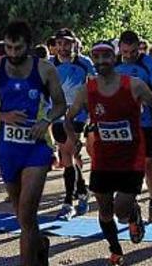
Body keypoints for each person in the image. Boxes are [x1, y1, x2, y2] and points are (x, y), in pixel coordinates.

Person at [66, 41, 152, 266]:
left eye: (106, 56)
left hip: (131, 157)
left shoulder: (133, 84)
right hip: (103, 159)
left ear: (115, 58)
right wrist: (75, 140)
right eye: (97, 57)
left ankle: (133, 214)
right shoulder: (87, 89)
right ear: (92, 60)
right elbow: (69, 116)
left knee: (120, 209)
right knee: (104, 209)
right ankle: (115, 250)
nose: (102, 61)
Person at [0, 21, 67, 266]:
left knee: (27, 213)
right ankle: (40, 244)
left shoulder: (45, 69)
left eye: (18, 48)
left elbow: (60, 104)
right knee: (23, 218)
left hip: (37, 148)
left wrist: (46, 120)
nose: (13, 53)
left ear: (28, 45)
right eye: (8, 47)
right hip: (8, 149)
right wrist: (2, 116)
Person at [114, 30, 152, 224]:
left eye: (133, 52)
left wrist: (143, 97)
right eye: (125, 52)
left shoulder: (149, 63)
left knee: (147, 166)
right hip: (119, 126)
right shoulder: (113, 64)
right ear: (119, 48)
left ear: (140, 48)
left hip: (144, 123)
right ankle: (131, 203)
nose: (128, 56)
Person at [48, 28, 95, 221]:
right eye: (59, 43)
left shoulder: (84, 63)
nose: (63, 47)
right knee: (67, 155)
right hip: (57, 115)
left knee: (69, 151)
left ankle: (68, 203)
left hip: (78, 115)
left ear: (74, 43)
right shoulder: (49, 65)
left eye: (66, 43)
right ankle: (82, 190)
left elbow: (94, 87)